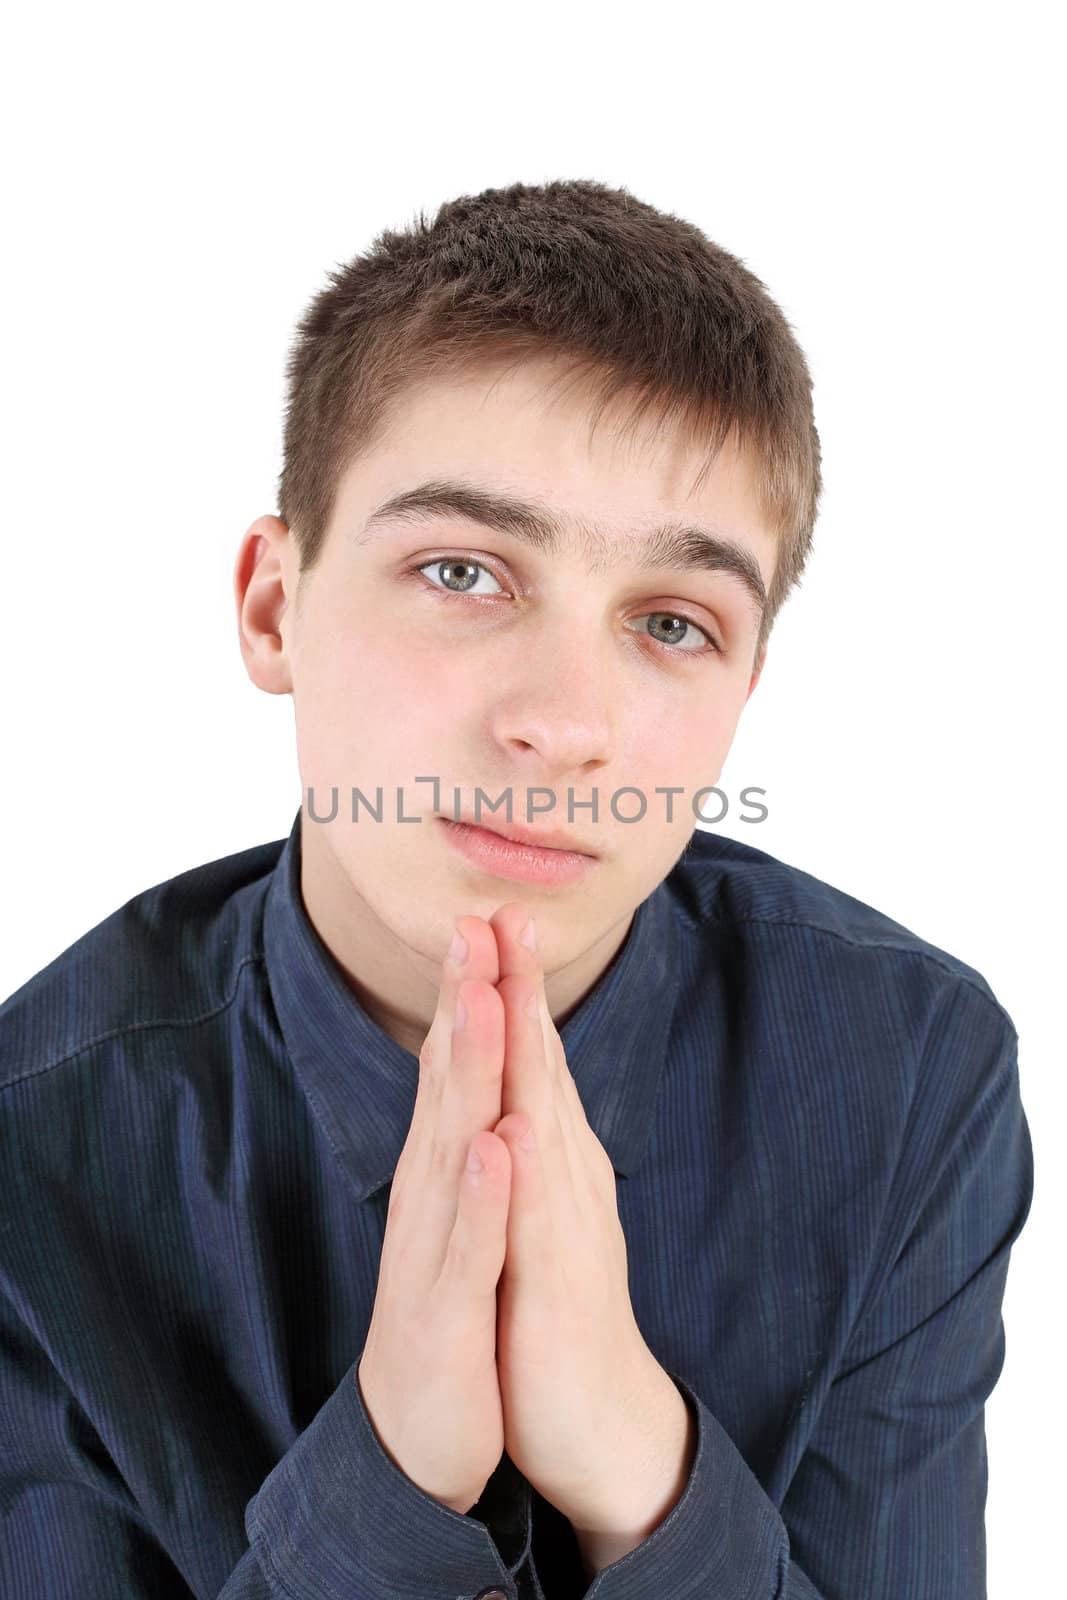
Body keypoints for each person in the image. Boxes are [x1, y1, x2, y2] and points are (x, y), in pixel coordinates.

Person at [0, 178, 1033, 1600]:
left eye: (673, 623)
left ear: (744, 689)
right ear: (272, 605)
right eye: (463, 571)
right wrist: (389, 1476)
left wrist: (635, 1460)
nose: (564, 721)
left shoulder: (911, 1069)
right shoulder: (30, 1152)